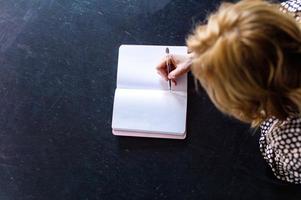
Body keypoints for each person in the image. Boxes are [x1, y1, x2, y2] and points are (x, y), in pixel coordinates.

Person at [156, 0, 301, 184]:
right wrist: (209, 55)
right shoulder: (292, 11)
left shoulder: (288, 143)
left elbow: (284, 171)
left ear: (246, 102)